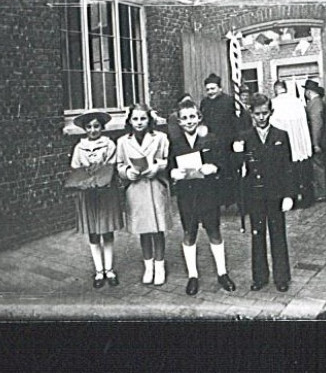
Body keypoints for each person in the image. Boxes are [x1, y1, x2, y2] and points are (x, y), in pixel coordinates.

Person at [167, 100, 236, 295]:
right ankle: (192, 275)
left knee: (214, 232)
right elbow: (169, 167)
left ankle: (222, 273)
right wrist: (173, 174)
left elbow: (223, 162)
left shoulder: (211, 139)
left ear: (199, 118)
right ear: (179, 122)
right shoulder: (175, 143)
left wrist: (214, 168)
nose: (189, 121)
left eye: (192, 117)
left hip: (208, 193)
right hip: (186, 195)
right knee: (189, 233)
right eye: (185, 118)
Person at [233, 93, 295, 292]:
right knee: (257, 235)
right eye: (257, 114)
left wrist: (288, 195)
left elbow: (288, 167)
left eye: (265, 113)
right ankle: (259, 277)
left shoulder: (280, 135)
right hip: (255, 195)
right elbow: (239, 168)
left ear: (271, 112)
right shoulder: (245, 137)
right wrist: (237, 154)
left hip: (276, 193)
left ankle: (281, 277)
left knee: (278, 235)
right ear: (251, 113)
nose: (261, 117)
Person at [116, 104, 171, 286]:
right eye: (135, 119)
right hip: (136, 188)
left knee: (157, 228)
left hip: (155, 186)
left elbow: (167, 159)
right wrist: (126, 172)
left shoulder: (161, 138)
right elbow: (120, 164)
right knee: (143, 229)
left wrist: (157, 167)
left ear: (149, 120)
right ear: (130, 121)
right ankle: (148, 266)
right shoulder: (123, 141)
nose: (139, 123)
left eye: (143, 118)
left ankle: (160, 265)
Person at [69, 110, 124, 289]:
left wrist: (101, 173)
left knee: (107, 231)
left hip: (106, 192)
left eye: (96, 126)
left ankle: (109, 270)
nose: (93, 130)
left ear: (102, 127)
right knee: (93, 233)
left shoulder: (109, 145)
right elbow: (76, 168)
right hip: (88, 193)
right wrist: (85, 176)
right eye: (89, 127)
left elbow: (110, 165)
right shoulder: (79, 147)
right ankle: (99, 271)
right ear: (84, 129)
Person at [199, 74, 242, 206]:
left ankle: (234, 201)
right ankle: (217, 201)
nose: (210, 92)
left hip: (227, 144)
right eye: (208, 89)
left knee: (229, 173)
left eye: (213, 88)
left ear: (220, 88)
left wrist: (237, 139)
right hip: (212, 145)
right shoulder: (205, 103)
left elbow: (237, 123)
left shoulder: (229, 102)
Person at [269, 80, 313, 207]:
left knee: (287, 173)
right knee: (302, 172)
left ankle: (290, 199)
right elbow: (304, 124)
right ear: (285, 88)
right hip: (299, 142)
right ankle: (305, 199)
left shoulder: (274, 103)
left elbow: (273, 125)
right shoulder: (297, 101)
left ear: (276, 89)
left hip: (284, 144)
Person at [304, 79, 326, 202]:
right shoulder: (318, 102)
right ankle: (321, 192)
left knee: (318, 166)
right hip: (320, 139)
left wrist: (315, 143)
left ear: (308, 92)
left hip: (317, 141)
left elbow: (317, 124)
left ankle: (321, 194)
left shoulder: (315, 104)